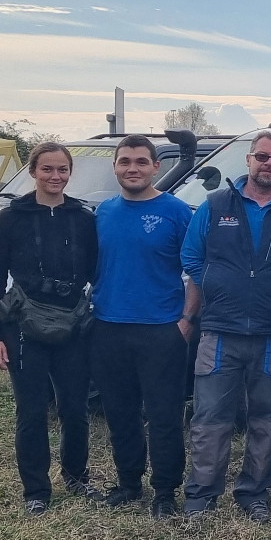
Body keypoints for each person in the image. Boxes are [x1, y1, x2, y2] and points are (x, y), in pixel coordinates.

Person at [179, 130, 271, 522]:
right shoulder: (215, 204)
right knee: (210, 418)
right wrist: (220, 288)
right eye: (262, 157)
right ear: (249, 160)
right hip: (220, 330)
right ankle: (201, 496)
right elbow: (191, 256)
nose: (268, 164)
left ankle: (254, 492)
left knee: (266, 418)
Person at [0, 142, 99, 515]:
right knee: (31, 411)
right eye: (47, 169)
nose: (55, 177)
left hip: (72, 326)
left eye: (62, 170)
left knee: (75, 409)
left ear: (70, 173)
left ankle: (77, 478)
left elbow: (98, 272)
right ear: (33, 172)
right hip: (23, 327)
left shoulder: (83, 218)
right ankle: (36, 490)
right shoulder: (11, 217)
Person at [89, 135, 195, 518]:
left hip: (161, 329)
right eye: (124, 161)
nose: (132, 168)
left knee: (164, 414)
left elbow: (197, 269)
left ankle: (165, 490)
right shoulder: (103, 212)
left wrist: (186, 318)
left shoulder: (177, 212)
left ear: (155, 167)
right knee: (120, 412)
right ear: (115, 167)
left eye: (140, 161)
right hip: (108, 326)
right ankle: (129, 482)